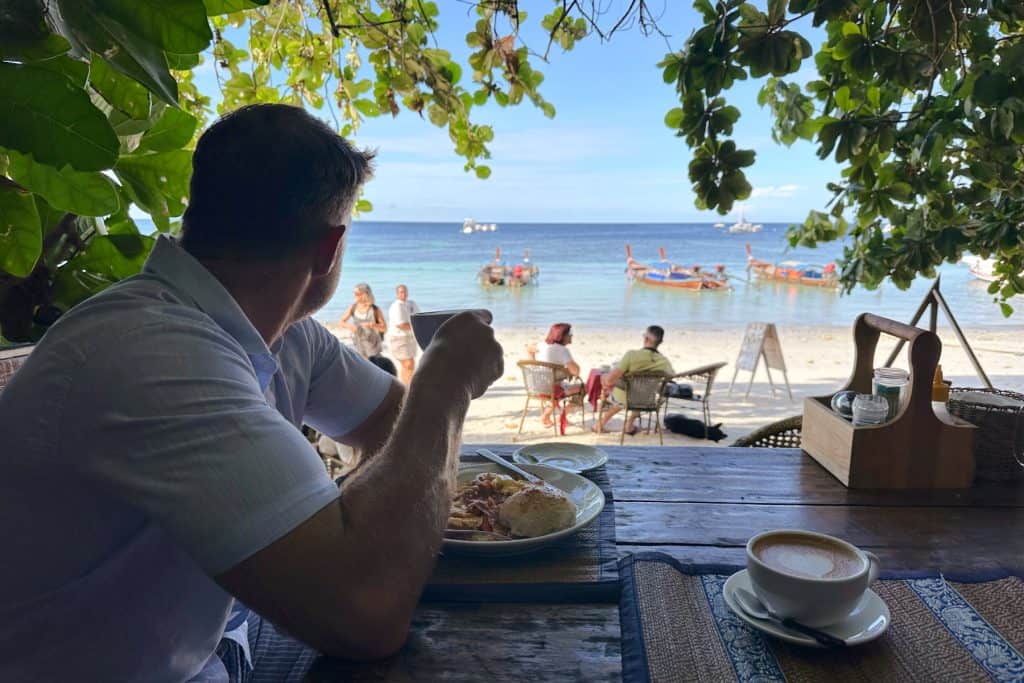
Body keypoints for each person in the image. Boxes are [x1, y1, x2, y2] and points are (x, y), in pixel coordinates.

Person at [0, 103, 503, 682]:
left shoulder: (282, 334)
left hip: (208, 649)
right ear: (329, 249)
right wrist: (444, 386)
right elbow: (366, 616)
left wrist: (350, 510)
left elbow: (394, 427)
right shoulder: (150, 352)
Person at [595, 325, 674, 435]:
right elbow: (671, 376)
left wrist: (604, 377)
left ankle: (599, 425)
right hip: (647, 400)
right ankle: (629, 425)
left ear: (646, 339)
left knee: (607, 379)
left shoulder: (631, 355)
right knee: (641, 392)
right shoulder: (664, 361)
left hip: (625, 398)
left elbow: (609, 381)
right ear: (660, 342)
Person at [526, 323, 582, 429]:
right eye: (570, 333)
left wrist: (533, 366)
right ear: (562, 335)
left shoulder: (541, 345)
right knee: (584, 388)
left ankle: (548, 415)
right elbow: (576, 372)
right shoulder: (563, 350)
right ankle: (561, 416)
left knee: (560, 384)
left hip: (536, 386)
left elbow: (529, 349)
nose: (572, 336)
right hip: (552, 390)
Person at [339, 282, 387, 358]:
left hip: (373, 347)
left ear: (365, 294)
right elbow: (341, 322)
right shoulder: (353, 308)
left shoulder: (375, 309)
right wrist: (350, 326)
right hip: (358, 345)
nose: (354, 296)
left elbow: (384, 328)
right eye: (354, 293)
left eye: (357, 293)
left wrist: (372, 325)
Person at [386, 284, 420, 384]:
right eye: (401, 292)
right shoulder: (396, 306)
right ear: (397, 294)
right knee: (408, 363)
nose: (404, 294)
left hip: (409, 338)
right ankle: (406, 386)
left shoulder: (412, 303)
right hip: (398, 339)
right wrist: (415, 327)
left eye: (405, 291)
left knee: (409, 365)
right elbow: (401, 325)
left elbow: (418, 317)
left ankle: (405, 385)